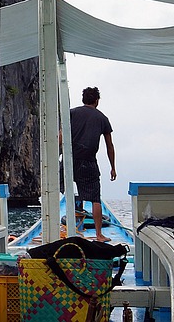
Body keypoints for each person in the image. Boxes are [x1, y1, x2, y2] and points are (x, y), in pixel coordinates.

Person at [64, 86, 116, 240]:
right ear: (97, 100)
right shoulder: (102, 118)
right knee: (95, 199)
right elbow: (109, 146)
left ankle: (61, 228)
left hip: (69, 160)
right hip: (88, 162)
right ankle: (99, 235)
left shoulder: (71, 113)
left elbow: (60, 136)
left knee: (62, 190)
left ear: (83, 99)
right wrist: (113, 167)